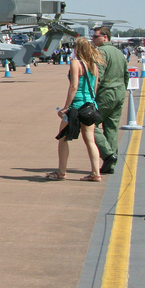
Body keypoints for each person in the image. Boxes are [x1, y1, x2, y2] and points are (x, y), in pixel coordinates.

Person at [46, 36, 103, 181]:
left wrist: (66, 107)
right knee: (90, 140)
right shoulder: (93, 65)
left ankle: (61, 171)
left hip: (76, 106)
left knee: (63, 138)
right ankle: (96, 173)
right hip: (89, 105)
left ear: (77, 48)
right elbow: (95, 87)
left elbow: (74, 86)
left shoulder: (75, 63)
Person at [92, 27, 128, 174]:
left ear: (105, 37)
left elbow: (98, 75)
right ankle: (111, 164)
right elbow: (126, 74)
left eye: (96, 36)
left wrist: (91, 95)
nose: (93, 39)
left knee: (89, 123)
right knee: (111, 128)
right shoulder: (119, 53)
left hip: (106, 92)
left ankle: (108, 155)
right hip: (119, 91)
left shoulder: (101, 52)